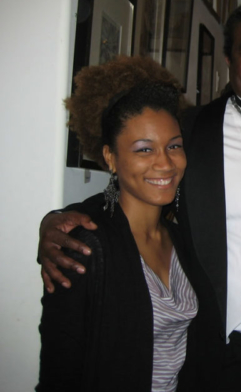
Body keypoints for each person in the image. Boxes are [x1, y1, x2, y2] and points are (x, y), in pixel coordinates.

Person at [38, 0, 241, 392]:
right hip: (234, 360)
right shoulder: (193, 131)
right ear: (229, 60)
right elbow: (137, 181)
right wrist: (59, 220)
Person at [37, 56, 221, 391]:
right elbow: (59, 373)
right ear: (110, 157)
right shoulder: (82, 247)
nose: (165, 163)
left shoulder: (180, 238)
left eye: (174, 146)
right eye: (144, 150)